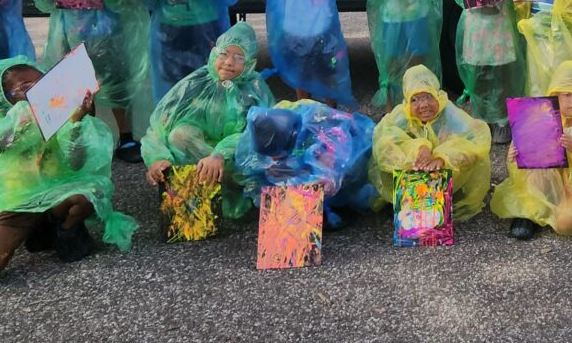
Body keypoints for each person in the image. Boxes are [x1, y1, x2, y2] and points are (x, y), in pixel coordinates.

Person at [0, 57, 135, 287]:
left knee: (90, 195)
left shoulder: (61, 117)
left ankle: (63, 230)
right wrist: (25, 120)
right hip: (21, 202)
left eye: (42, 83)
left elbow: (76, 163)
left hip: (58, 193)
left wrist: (76, 122)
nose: (37, 91)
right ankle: (38, 230)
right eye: (26, 87)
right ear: (3, 99)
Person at [28, 0, 151, 158]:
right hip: (71, 35)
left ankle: (126, 136)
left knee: (118, 87)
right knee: (77, 89)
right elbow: (44, 2)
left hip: (111, 35)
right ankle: (81, 136)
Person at [140, 23, 276, 221]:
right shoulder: (196, 82)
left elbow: (261, 133)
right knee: (179, 134)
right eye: (224, 54)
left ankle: (235, 190)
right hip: (205, 156)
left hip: (237, 162)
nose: (228, 62)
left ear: (249, 63)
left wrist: (220, 154)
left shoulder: (254, 89)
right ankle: (201, 189)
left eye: (239, 58)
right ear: (214, 53)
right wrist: (157, 158)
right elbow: (160, 126)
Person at [492, 60, 572, 239]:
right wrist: (515, 156)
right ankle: (531, 215)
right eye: (567, 95)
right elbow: (526, 156)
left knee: (565, 224)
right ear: (555, 95)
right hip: (548, 179)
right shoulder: (541, 117)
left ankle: (551, 209)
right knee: (534, 180)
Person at [370, 65, 493, 224]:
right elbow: (384, 140)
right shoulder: (401, 114)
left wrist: (442, 158)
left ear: (438, 95)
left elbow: (476, 137)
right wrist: (418, 149)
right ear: (407, 100)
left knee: (468, 152)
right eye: (415, 99)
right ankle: (409, 203)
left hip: (447, 174)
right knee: (387, 145)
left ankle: (444, 199)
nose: (423, 105)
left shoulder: (448, 112)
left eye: (428, 97)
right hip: (413, 170)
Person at [233, 99, 377, 230]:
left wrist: (314, 181)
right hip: (307, 161)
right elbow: (253, 169)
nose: (273, 159)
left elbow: (332, 174)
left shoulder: (319, 131)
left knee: (344, 180)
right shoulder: (273, 129)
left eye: (276, 154)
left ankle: (334, 209)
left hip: (349, 158)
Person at [448, 0, 523, 138]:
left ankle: (503, 120)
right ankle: (482, 120)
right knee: (479, 75)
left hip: (502, 27)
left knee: (503, 74)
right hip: (477, 27)